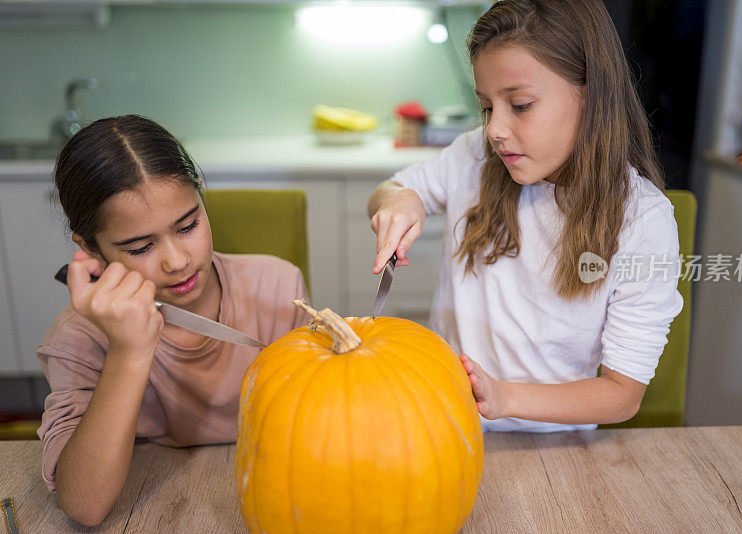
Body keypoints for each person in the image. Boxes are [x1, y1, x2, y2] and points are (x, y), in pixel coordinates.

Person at [368, 0, 683, 433]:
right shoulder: (474, 156)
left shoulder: (643, 221)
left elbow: (621, 394)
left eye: (519, 105)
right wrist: (400, 201)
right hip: (446, 427)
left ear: (591, 97)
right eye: (486, 107)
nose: (495, 129)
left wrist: (505, 396)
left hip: (557, 452)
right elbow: (389, 193)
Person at [37, 115, 308, 526]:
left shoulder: (278, 286)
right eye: (141, 247)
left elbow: (316, 422)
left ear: (201, 198)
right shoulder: (77, 337)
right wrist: (129, 351)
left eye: (188, 226)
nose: (177, 261)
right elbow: (85, 505)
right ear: (92, 251)